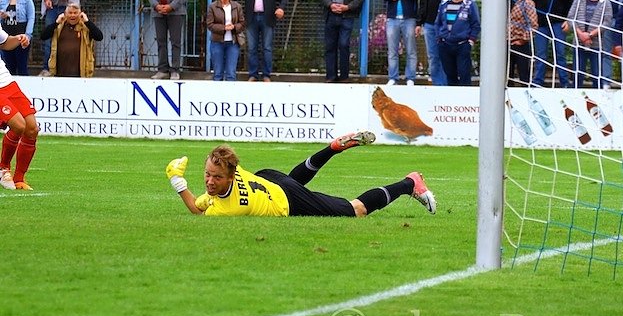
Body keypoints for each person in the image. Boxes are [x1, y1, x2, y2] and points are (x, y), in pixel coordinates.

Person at [165, 131, 436, 216]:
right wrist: (179, 181)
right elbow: (199, 204)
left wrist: (178, 181)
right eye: (208, 175)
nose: (210, 182)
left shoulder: (227, 211)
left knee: (355, 211)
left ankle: (409, 182)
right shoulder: (236, 171)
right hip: (268, 177)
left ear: (230, 174)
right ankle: (331, 149)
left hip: (288, 200)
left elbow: (198, 211)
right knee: (293, 180)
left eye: (216, 177)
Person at [233, 0, 288, 82]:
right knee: (252, 48)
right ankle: (253, 74)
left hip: (267, 17)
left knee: (267, 48)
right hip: (251, 17)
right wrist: (234, 9)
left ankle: (266, 75)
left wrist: (281, 8)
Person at [0, 27, 39, 190]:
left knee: (31, 128)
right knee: (18, 125)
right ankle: (3, 169)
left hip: (7, 82)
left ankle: (19, 179)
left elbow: (5, 43)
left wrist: (19, 38)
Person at [320, 0, 367, 83]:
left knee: (344, 44)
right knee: (330, 45)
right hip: (331, 15)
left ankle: (344, 76)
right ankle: (331, 76)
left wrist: (348, 7)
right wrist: (330, 4)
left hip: (347, 16)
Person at [528, 0, 574, 87]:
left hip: (558, 24)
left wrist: (568, 21)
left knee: (560, 53)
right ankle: (537, 82)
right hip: (541, 25)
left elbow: (571, 3)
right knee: (540, 54)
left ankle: (564, 82)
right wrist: (533, 22)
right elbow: (530, 3)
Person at [566, 0, 614, 89]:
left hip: (596, 43)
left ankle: (598, 99)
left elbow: (607, 22)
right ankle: (576, 96)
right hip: (579, 42)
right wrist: (580, 34)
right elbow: (570, 17)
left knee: (596, 74)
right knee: (578, 72)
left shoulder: (606, 2)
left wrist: (591, 34)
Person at [382, 0, 421, 86]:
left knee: (411, 50)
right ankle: (393, 78)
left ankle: (410, 78)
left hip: (409, 19)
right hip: (392, 19)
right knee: (392, 50)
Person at [416, 0, 454, 86]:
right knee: (433, 56)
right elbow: (423, 2)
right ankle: (438, 84)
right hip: (429, 25)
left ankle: (446, 84)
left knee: (445, 56)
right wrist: (419, 22)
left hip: (445, 26)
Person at [434, 0, 481, 86]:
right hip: (445, 44)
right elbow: (437, 23)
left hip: (463, 45)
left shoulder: (470, 4)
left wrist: (471, 41)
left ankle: (465, 100)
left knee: (464, 73)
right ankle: (452, 99)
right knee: (450, 74)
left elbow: (476, 24)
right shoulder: (443, 3)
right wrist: (438, 38)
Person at [40, 3, 103, 77]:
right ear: (65, 14)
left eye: (75, 13)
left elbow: (99, 37)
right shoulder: (59, 26)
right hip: (60, 72)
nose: (72, 15)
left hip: (80, 73)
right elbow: (43, 36)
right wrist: (56, 23)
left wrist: (87, 22)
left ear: (80, 14)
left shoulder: (85, 27)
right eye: (70, 13)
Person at [206, 0, 246, 82]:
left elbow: (242, 23)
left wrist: (234, 27)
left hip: (233, 43)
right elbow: (209, 24)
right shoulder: (212, 7)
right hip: (217, 42)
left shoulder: (237, 6)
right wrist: (224, 28)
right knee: (218, 73)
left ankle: (230, 96)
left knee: (231, 73)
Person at [0, 0, 36, 75]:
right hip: (7, 35)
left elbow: (31, 18)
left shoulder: (27, 0)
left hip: (21, 35)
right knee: (8, 65)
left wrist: (28, 36)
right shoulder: (3, 1)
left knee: (21, 65)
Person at [507, 0, 537, 85]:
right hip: (505, 44)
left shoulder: (528, 3)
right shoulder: (503, 3)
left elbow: (533, 25)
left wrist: (523, 40)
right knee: (506, 77)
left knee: (524, 76)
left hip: (521, 44)